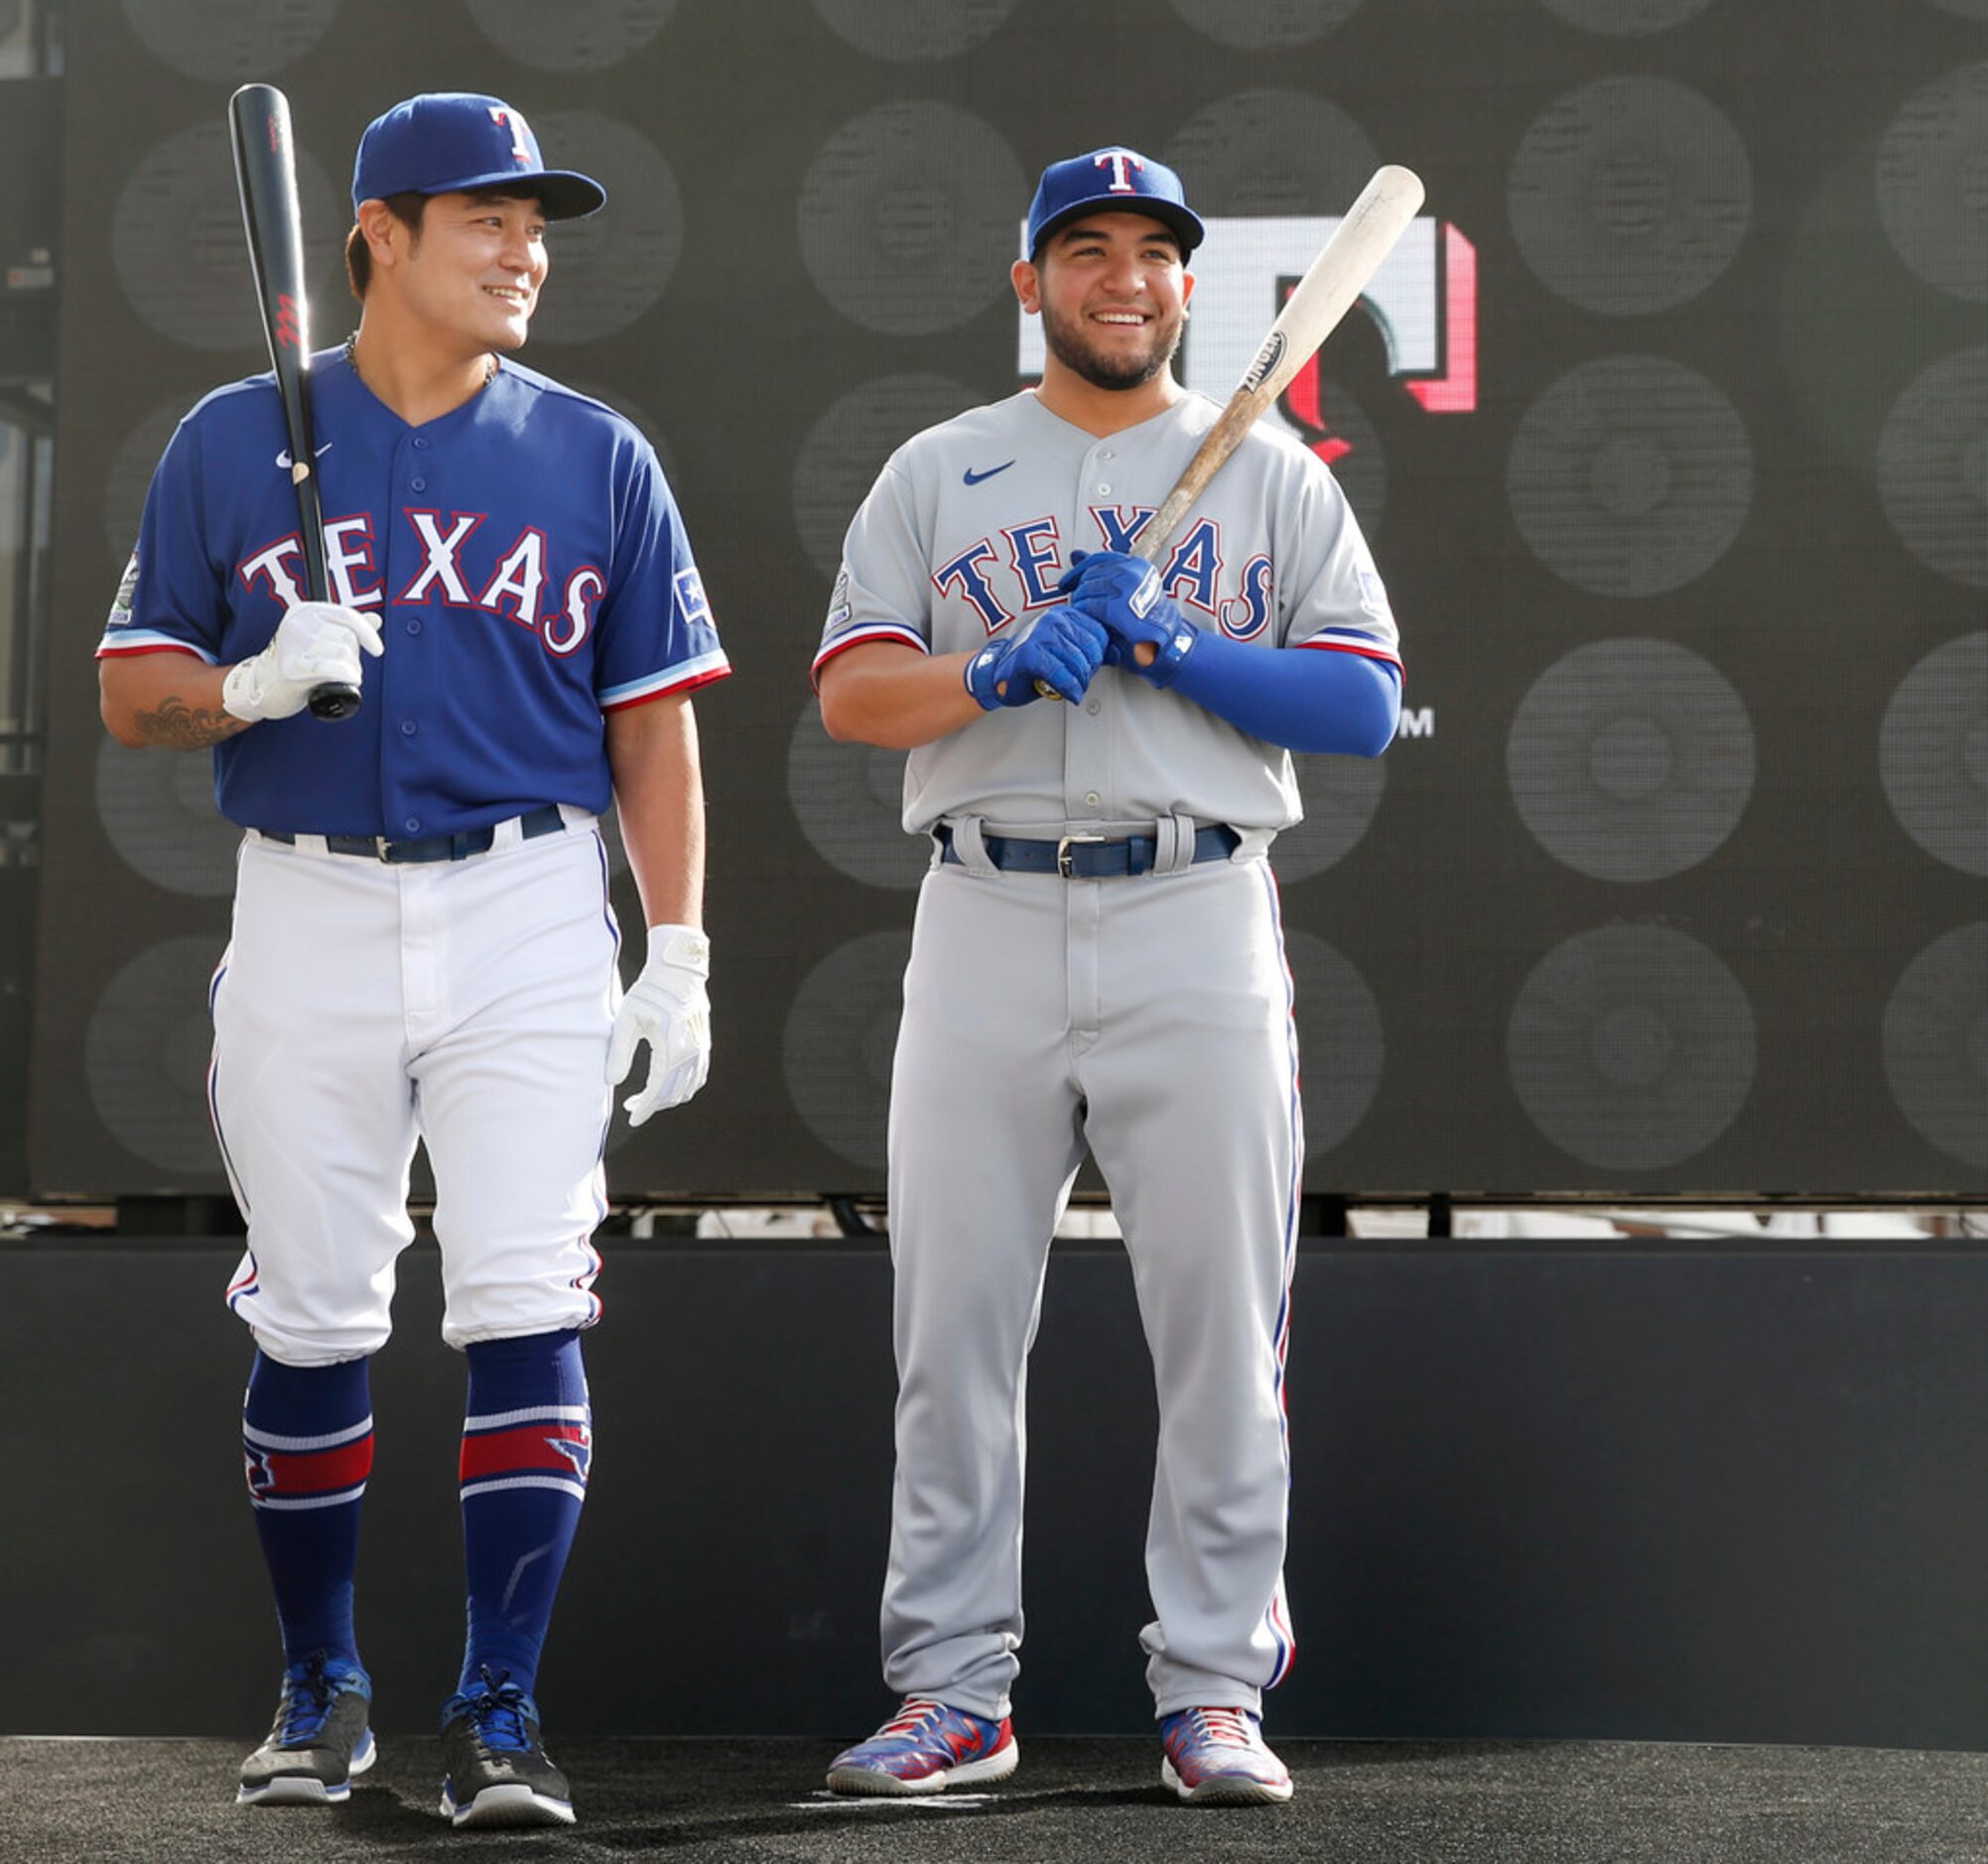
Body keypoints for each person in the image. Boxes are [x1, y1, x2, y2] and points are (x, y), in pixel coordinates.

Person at [97, 92, 729, 1829]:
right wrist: (243, 683)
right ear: (376, 231)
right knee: (313, 1306)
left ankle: (502, 1711)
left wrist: (673, 949)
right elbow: (128, 688)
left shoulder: (597, 453)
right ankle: (323, 1687)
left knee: (529, 1285)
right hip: (305, 901)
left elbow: (656, 733)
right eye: (486, 219)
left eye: (539, 225)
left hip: (530, 901)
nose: (527, 250)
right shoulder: (235, 440)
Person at [812, 147, 1402, 1805]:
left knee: (1223, 1326)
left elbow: (1358, 705)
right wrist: (997, 663)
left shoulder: (1277, 476)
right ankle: (951, 1691)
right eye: (1087, 251)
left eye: (1155, 253)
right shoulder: (940, 470)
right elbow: (857, 695)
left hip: (1195, 910)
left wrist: (1173, 643)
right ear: (1030, 284)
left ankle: (1214, 1687)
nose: (1124, 277)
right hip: (984, 908)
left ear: (1189, 287)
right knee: (953, 1324)